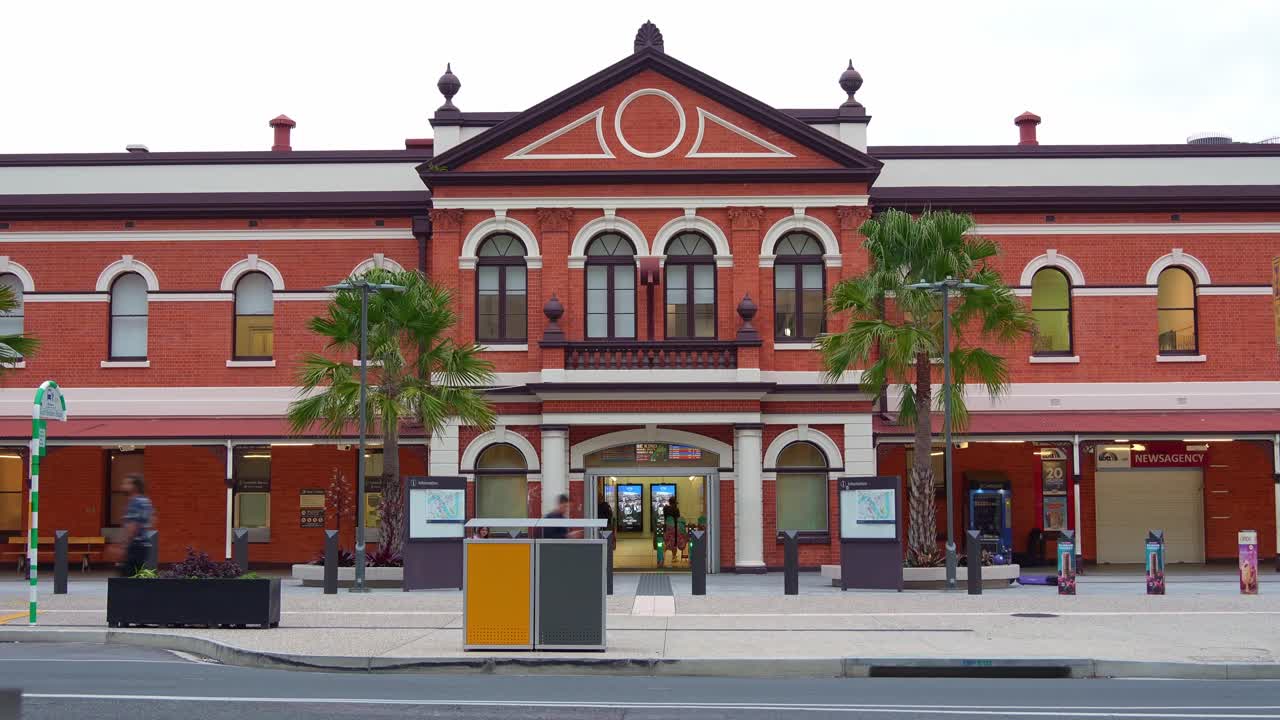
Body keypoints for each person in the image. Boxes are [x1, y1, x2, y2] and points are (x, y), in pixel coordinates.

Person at [117, 474, 153, 576]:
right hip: (144, 545)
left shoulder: (134, 502)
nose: (123, 486)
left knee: (127, 578)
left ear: (135, 486)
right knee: (135, 576)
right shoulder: (146, 501)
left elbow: (132, 526)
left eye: (127, 483)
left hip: (134, 546)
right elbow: (152, 519)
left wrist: (123, 546)